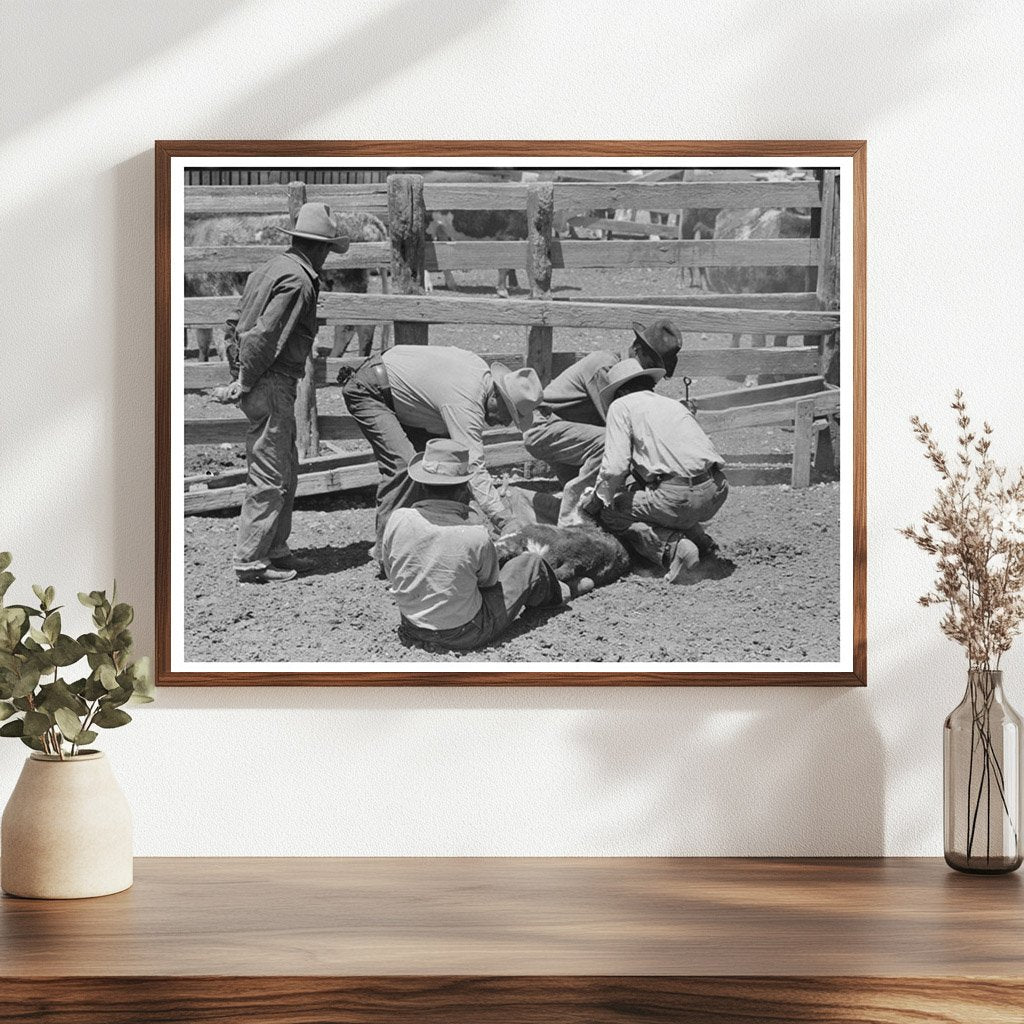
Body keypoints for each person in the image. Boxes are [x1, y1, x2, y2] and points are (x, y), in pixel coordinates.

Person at [223, 203, 349, 583]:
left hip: (264, 378)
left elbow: (236, 322)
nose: (327, 255)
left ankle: (274, 548)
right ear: (319, 247)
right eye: (327, 248)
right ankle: (250, 559)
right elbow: (267, 334)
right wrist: (246, 379)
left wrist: (241, 373)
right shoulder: (298, 280)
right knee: (271, 471)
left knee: (283, 467)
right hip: (272, 380)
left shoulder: (269, 269)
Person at [341, 346, 543, 550]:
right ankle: (387, 553)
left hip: (399, 392)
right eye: (507, 415)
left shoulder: (479, 376)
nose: (504, 422)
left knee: (447, 465)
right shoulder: (466, 401)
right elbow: (475, 467)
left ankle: (439, 540)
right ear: (496, 397)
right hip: (370, 391)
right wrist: (503, 519)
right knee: (403, 466)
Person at [382, 439, 568, 651]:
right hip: (464, 633)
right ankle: (557, 596)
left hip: (412, 626)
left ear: (422, 484)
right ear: (464, 489)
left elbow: (392, 572)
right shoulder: (474, 534)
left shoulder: (397, 519)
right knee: (529, 563)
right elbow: (489, 583)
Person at [580, 358, 729, 584]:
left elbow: (615, 467)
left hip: (678, 500)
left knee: (613, 511)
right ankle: (701, 540)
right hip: (716, 490)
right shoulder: (673, 404)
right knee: (653, 493)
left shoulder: (621, 406)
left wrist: (598, 499)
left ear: (619, 393)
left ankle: (674, 548)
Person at [522, 320, 682, 524]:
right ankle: (570, 525)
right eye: (650, 366)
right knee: (610, 452)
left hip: (573, 435)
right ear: (636, 350)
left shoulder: (622, 374)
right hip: (544, 428)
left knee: (601, 507)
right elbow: (623, 430)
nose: (651, 378)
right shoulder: (607, 368)